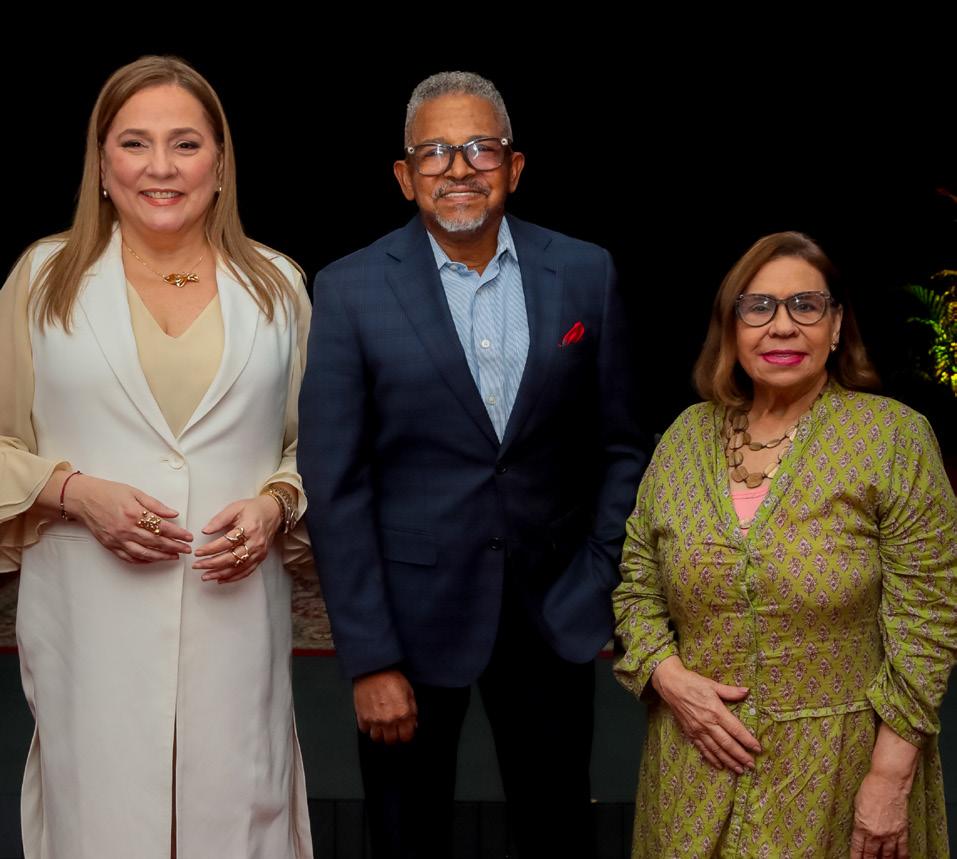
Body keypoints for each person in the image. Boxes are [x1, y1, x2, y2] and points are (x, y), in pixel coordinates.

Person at [298, 71, 646, 858]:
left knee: (558, 835)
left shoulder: (585, 272)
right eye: (435, 152)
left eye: (480, 148)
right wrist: (369, 658)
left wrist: (597, 574)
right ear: (404, 176)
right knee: (405, 837)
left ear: (512, 166)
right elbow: (336, 483)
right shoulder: (349, 289)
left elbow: (622, 444)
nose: (458, 168)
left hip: (552, 615)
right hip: (408, 629)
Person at [0, 56, 313, 859]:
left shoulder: (278, 286)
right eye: (135, 143)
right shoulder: (41, 279)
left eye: (186, 143)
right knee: (100, 827)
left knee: (241, 826)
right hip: (88, 626)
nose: (161, 167)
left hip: (235, 622)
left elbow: (312, 447)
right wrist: (71, 491)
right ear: (102, 164)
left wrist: (276, 502)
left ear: (221, 162)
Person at [613, 231, 957, 858]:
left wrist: (890, 778)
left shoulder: (893, 439)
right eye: (758, 307)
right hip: (692, 768)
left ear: (836, 324)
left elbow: (927, 622)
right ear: (731, 326)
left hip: (839, 772)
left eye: (805, 305)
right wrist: (669, 677)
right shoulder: (685, 437)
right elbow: (637, 587)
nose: (782, 326)